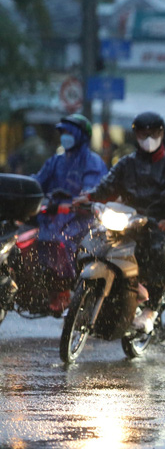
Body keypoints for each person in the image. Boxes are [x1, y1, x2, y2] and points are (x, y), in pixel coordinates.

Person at [74, 111, 165, 333]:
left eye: (153, 133)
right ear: (135, 134)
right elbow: (107, 186)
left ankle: (150, 310)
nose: (148, 137)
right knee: (92, 241)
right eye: (142, 133)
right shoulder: (126, 163)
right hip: (125, 220)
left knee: (159, 253)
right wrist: (88, 198)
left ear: (161, 134)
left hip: (157, 226)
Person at [31, 114, 107, 314]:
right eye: (62, 132)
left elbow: (93, 191)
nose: (64, 136)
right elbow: (37, 182)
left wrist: (79, 201)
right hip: (51, 216)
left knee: (60, 241)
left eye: (68, 133)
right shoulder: (55, 161)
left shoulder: (93, 162)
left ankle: (64, 288)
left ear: (81, 136)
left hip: (81, 220)